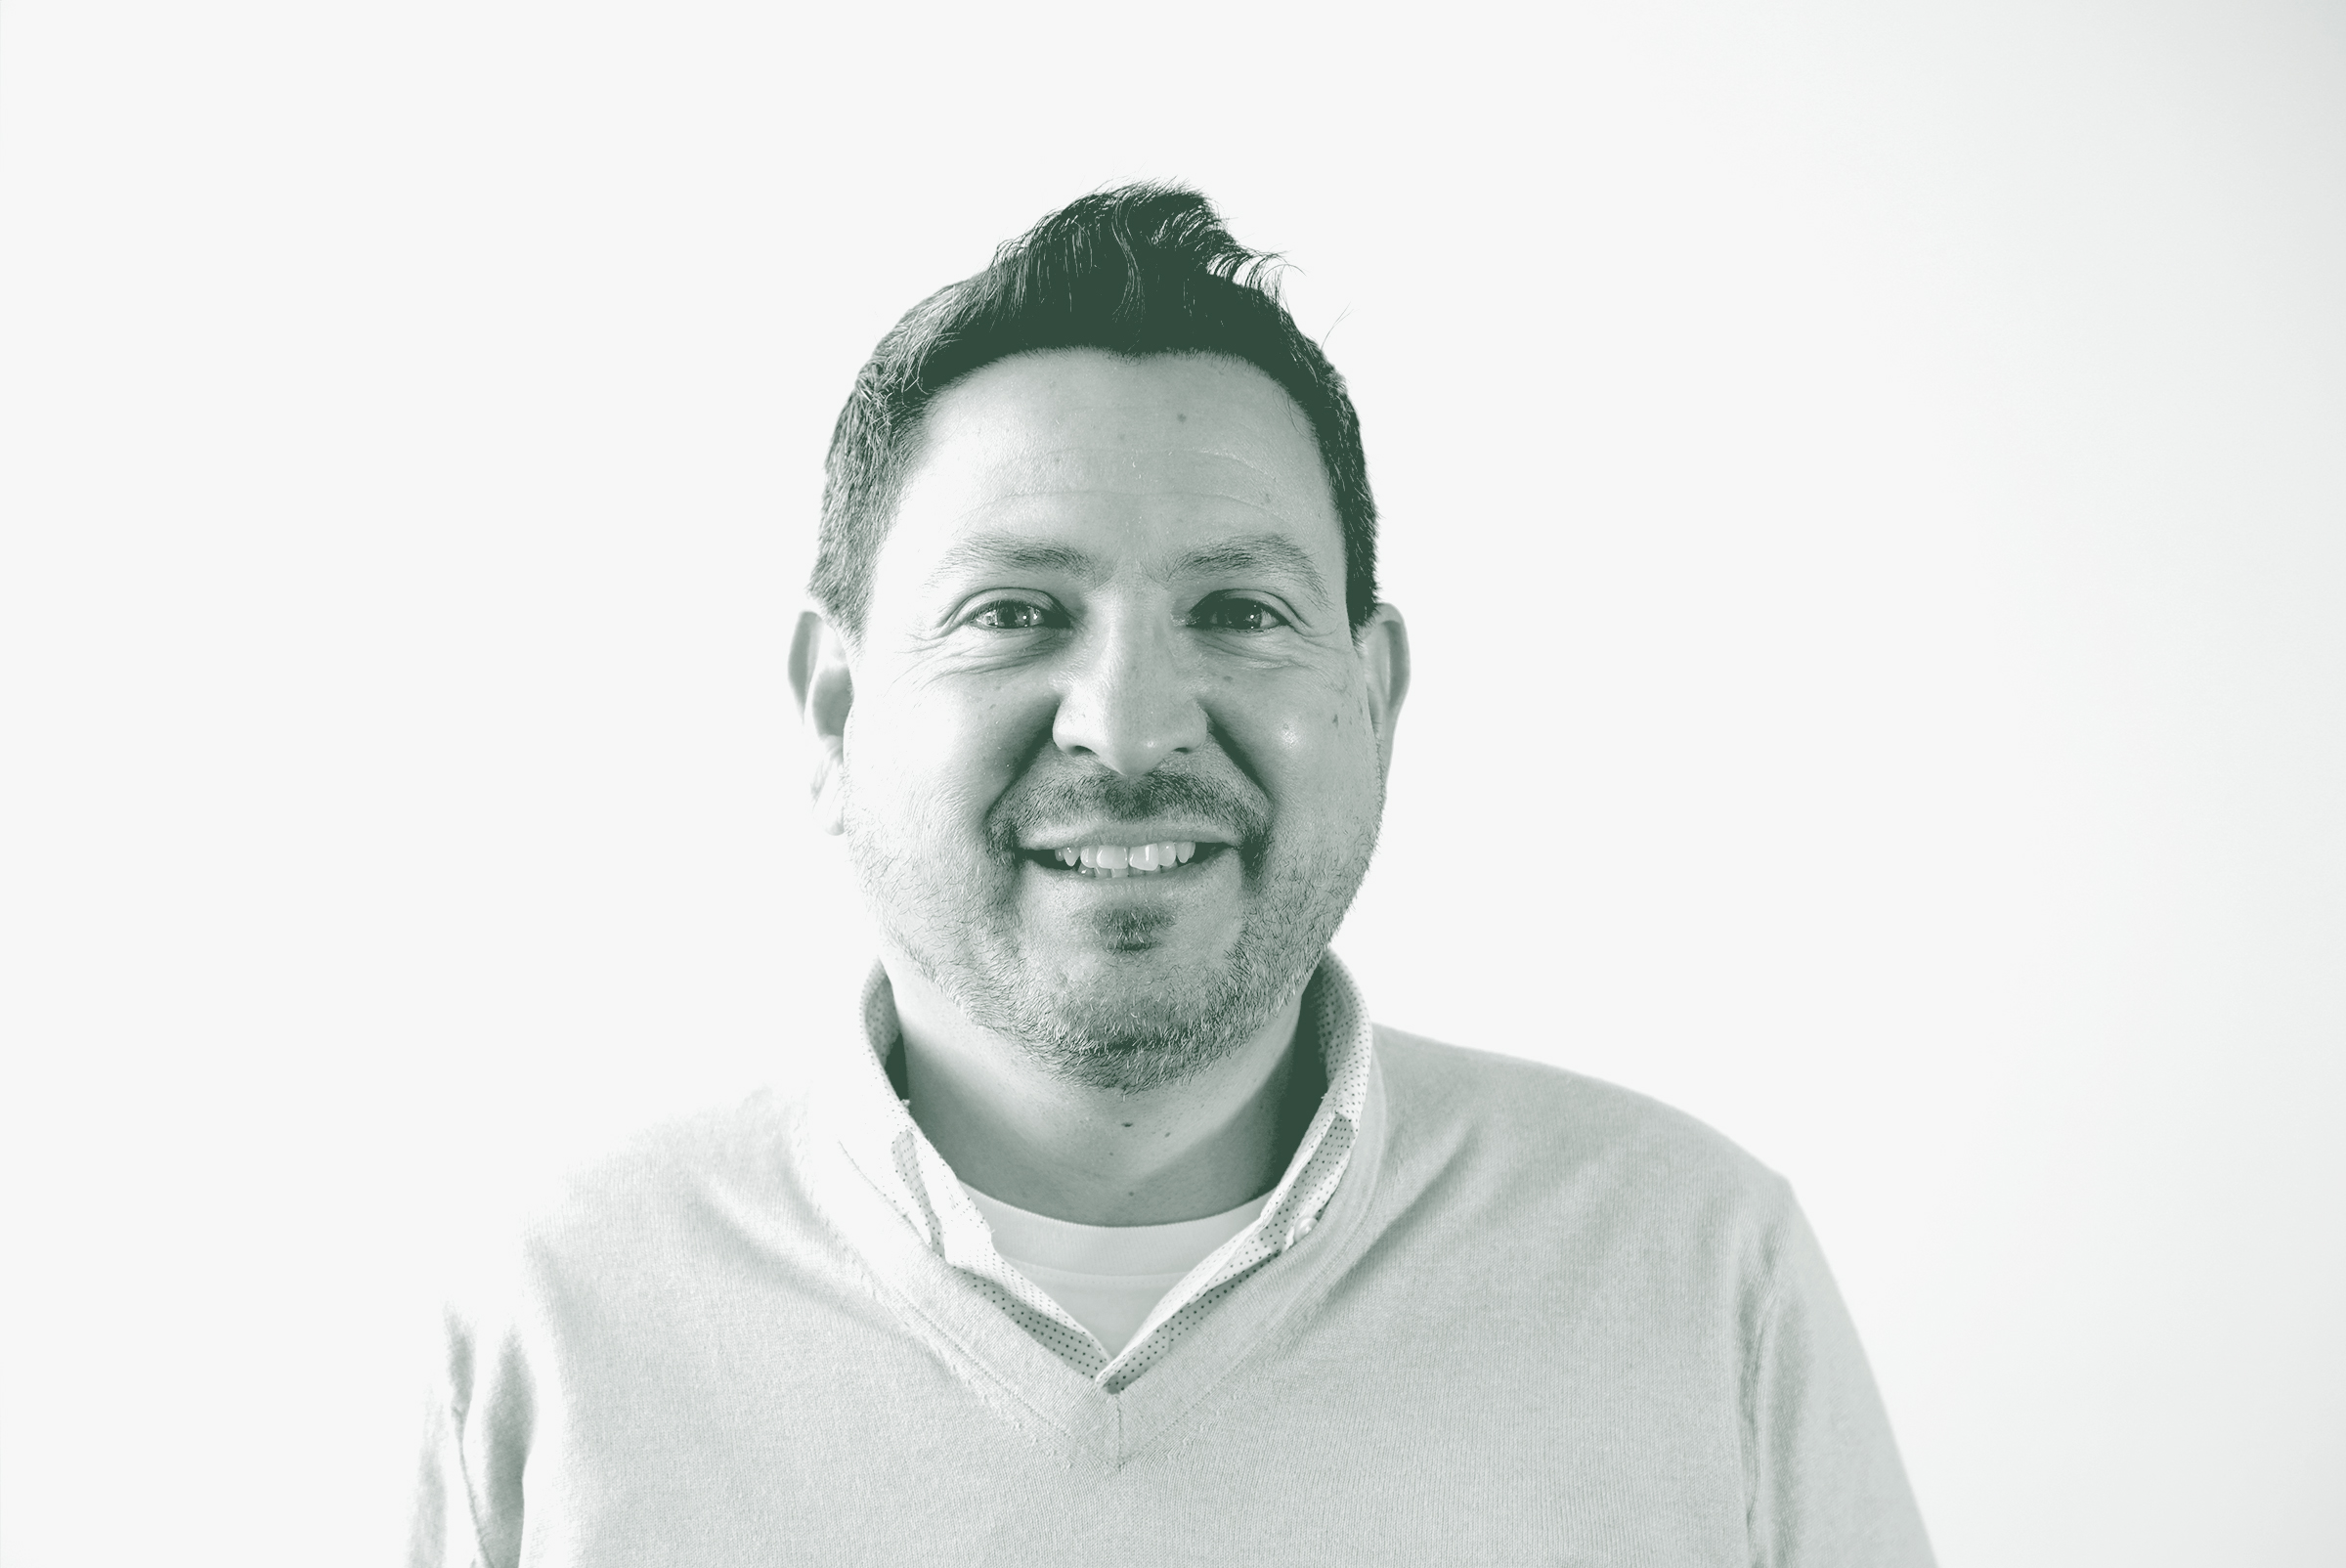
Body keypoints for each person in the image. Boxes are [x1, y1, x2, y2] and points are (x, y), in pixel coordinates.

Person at [408, 184, 1934, 1566]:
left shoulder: (1699, 1278)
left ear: (1374, 696)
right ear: (833, 707)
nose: (1130, 726)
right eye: (1013, 610)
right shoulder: (553, 1329)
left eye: (1241, 609)